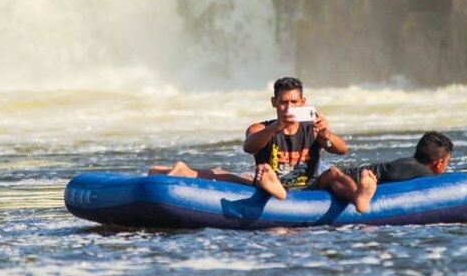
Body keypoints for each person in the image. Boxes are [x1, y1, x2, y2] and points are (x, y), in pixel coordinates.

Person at [148, 76, 348, 200]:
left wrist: (326, 135)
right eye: (283, 102)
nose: (288, 108)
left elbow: (341, 149)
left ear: (303, 102)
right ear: (274, 103)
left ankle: (359, 197)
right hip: (267, 182)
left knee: (334, 173)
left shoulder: (313, 129)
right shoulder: (260, 128)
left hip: (307, 188)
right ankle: (276, 190)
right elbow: (249, 146)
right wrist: (275, 128)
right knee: (263, 171)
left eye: (294, 102)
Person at [307, 130, 453, 214]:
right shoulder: (420, 171)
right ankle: (360, 196)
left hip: (350, 177)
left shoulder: (408, 163)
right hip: (340, 182)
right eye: (447, 162)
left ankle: (361, 193)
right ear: (439, 163)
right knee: (334, 174)